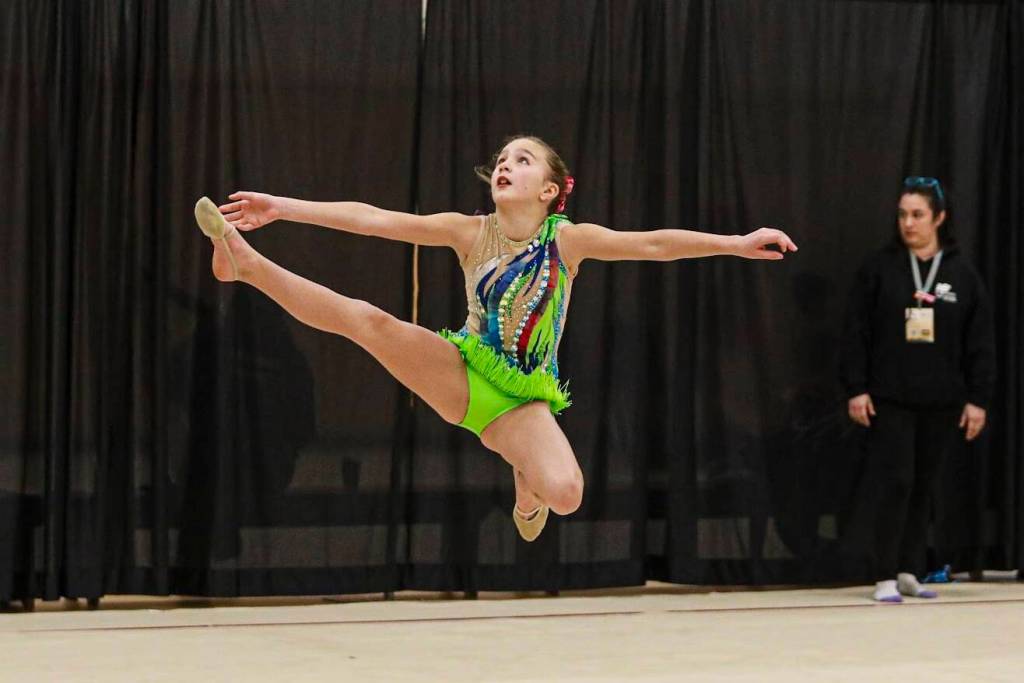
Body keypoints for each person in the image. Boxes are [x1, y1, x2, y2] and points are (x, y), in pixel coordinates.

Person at [193, 135, 798, 542]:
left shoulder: (568, 241)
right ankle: (245, 263)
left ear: (550, 190)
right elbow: (372, 218)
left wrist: (736, 243)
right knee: (367, 321)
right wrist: (284, 208)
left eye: (524, 160)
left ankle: (525, 484)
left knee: (564, 495)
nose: (506, 164)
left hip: (523, 397)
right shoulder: (468, 232)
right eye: (502, 158)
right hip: (464, 369)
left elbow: (654, 243)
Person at [840, 176, 995, 602]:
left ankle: (910, 568)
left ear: (939, 218)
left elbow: (979, 342)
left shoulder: (962, 273)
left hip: (942, 400)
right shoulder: (880, 267)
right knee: (897, 480)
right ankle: (884, 573)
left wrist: (977, 399)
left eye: (918, 214)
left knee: (925, 483)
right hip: (890, 397)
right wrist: (857, 387)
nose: (908, 223)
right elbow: (856, 332)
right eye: (903, 214)